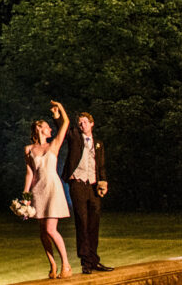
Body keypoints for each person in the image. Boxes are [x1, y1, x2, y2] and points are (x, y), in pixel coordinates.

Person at [24, 100, 71, 279]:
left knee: (51, 229)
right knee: (43, 232)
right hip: (38, 189)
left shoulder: (54, 145)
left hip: (52, 188)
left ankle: (66, 264)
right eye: (46, 126)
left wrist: (60, 107)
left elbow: (65, 124)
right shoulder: (29, 149)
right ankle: (52, 264)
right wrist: (26, 196)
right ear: (39, 129)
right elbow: (29, 174)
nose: (50, 129)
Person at [64, 109, 112, 274]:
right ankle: (85, 262)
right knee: (82, 222)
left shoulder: (98, 143)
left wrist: (103, 183)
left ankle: (94, 260)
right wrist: (58, 115)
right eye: (80, 123)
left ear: (92, 123)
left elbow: (101, 166)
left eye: (85, 122)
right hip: (78, 184)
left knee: (94, 223)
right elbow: (63, 128)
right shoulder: (76, 139)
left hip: (93, 186)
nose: (82, 125)